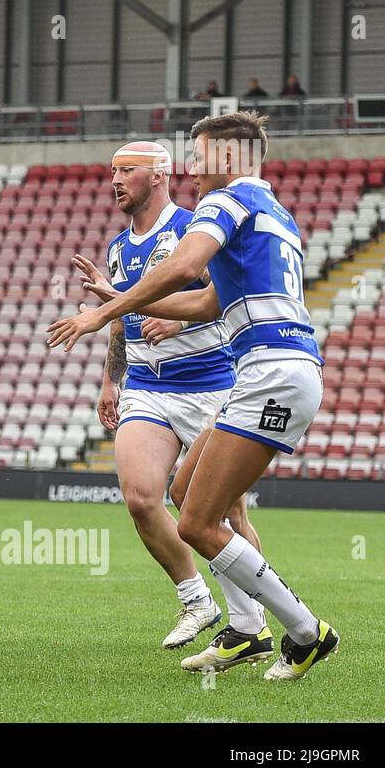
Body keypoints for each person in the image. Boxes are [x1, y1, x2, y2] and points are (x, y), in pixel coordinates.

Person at [48, 111, 338, 680]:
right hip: (272, 369)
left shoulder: (225, 202)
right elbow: (206, 304)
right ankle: (247, 630)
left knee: (199, 524)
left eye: (199, 156)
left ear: (228, 160)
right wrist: (121, 297)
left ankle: (304, 632)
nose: (191, 169)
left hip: (269, 373)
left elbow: (185, 266)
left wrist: (103, 311)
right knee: (182, 491)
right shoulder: (273, 212)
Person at [73, 141, 265, 651]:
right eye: (112, 171)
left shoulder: (191, 228)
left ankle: (254, 619)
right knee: (139, 497)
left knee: (226, 514)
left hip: (210, 384)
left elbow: (224, 293)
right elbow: (121, 321)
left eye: (126, 170)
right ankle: (196, 599)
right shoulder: (117, 248)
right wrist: (111, 380)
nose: (115, 180)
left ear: (159, 176)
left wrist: (179, 316)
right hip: (148, 385)